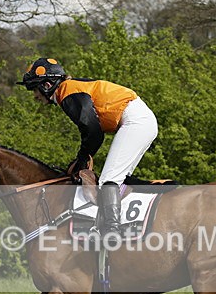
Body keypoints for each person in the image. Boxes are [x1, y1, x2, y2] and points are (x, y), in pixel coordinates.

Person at [16, 57, 158, 241]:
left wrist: (81, 159)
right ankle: (129, 223)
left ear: (47, 85)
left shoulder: (67, 93)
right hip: (140, 119)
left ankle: (111, 230)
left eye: (34, 89)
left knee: (109, 180)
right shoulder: (70, 89)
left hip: (136, 121)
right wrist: (82, 157)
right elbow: (92, 132)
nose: (35, 96)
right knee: (120, 179)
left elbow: (93, 131)